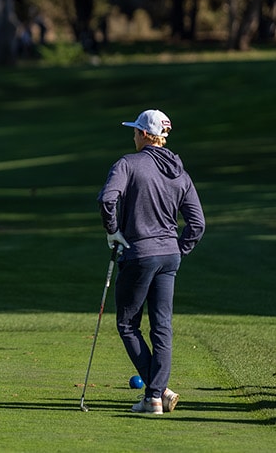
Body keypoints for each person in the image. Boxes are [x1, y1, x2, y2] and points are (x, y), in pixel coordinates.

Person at [97, 109, 206, 415]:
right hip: (169, 256)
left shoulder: (127, 164)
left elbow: (107, 200)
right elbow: (197, 224)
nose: (133, 136)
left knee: (128, 324)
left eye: (135, 131)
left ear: (145, 134)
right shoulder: (180, 173)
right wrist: (177, 249)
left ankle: (155, 395)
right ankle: (155, 395)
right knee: (162, 327)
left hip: (140, 253)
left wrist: (113, 232)